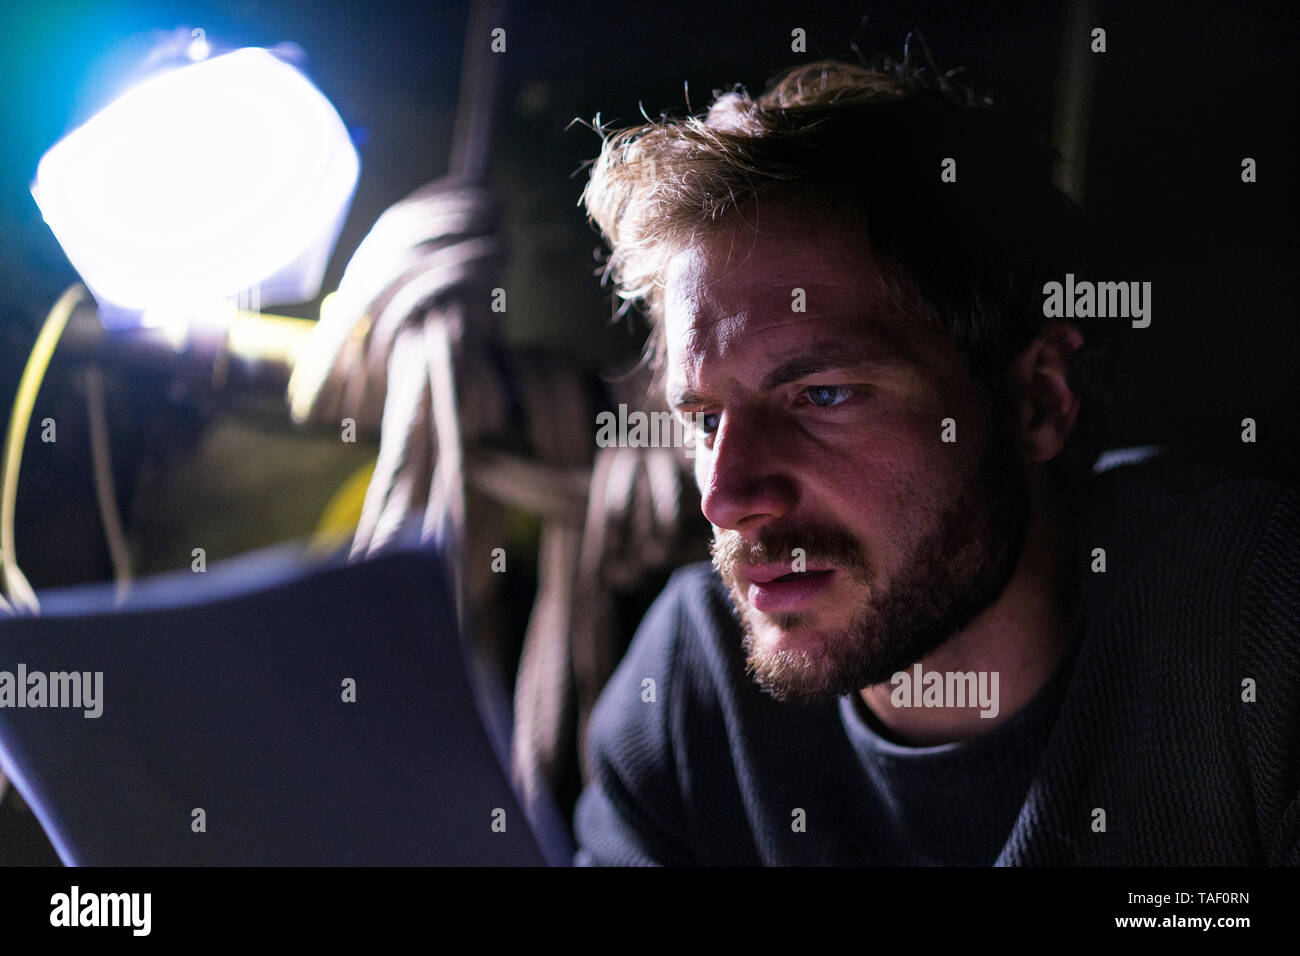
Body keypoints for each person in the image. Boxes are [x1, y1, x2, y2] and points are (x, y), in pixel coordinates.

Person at [570, 59, 1300, 865]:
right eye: (705, 419)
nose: (728, 498)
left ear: (1038, 402)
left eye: (821, 396)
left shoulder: (1247, 609)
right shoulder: (691, 679)